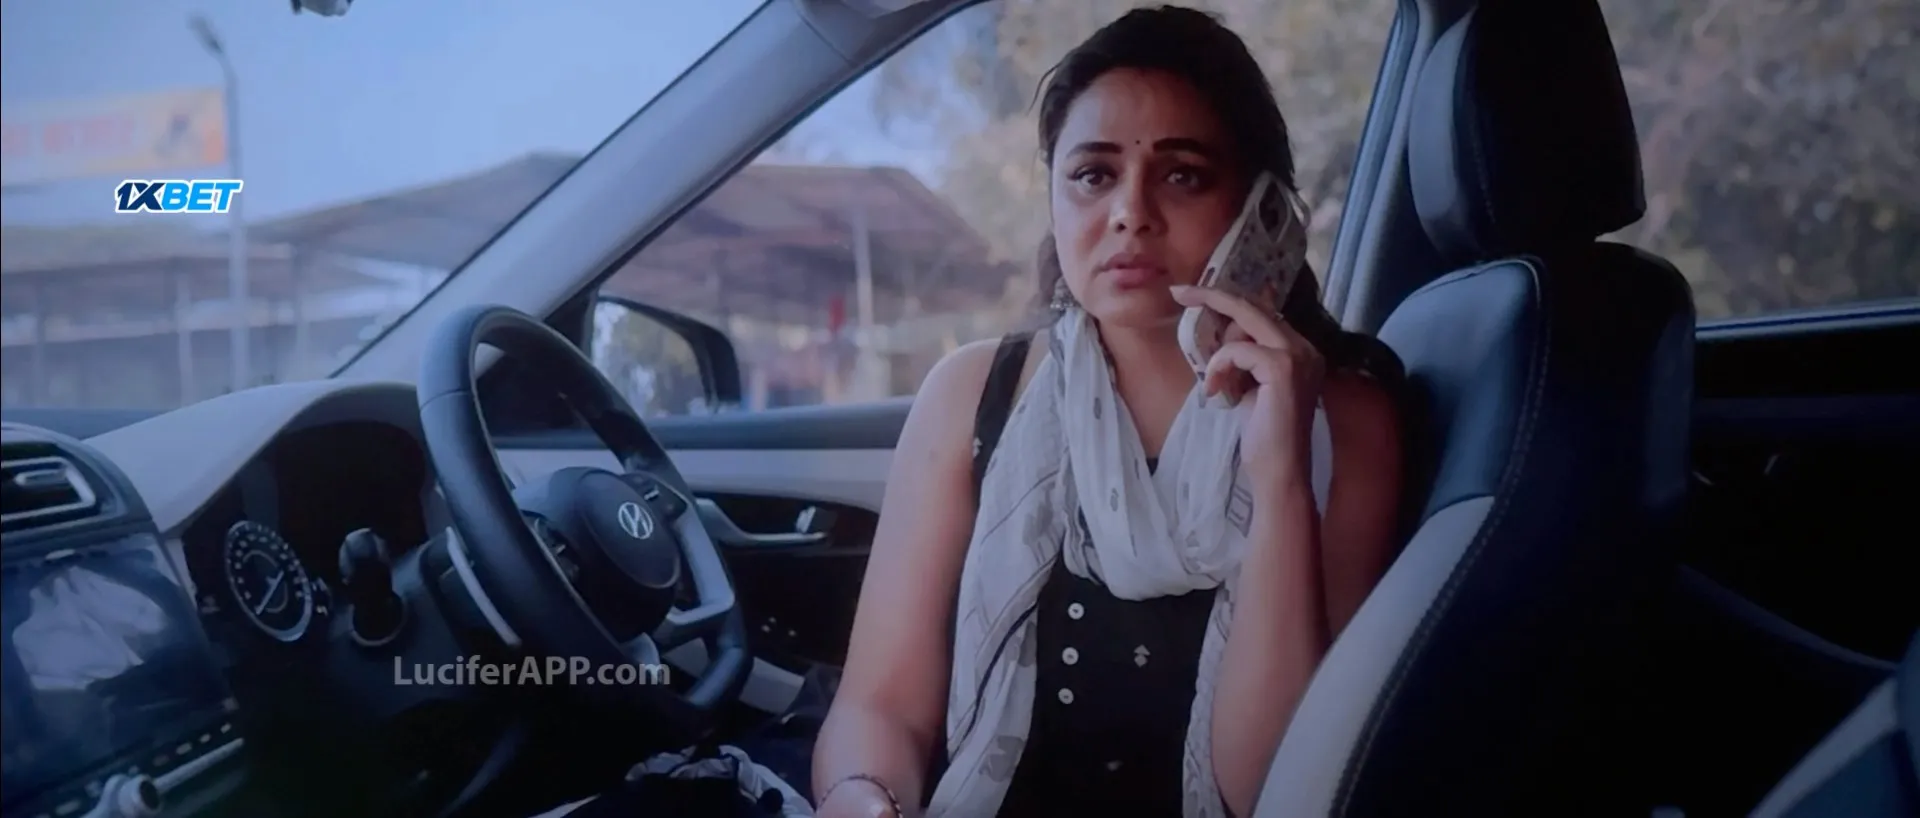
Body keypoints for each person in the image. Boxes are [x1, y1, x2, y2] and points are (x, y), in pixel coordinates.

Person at [809, 6, 1408, 817]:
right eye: (1093, 175)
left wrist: (1280, 481)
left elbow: (1268, 789)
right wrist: (863, 796)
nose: (1130, 211)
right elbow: (879, 705)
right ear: (1055, 200)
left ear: (1260, 207)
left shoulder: (1345, 421)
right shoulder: (972, 395)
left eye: (1182, 174)